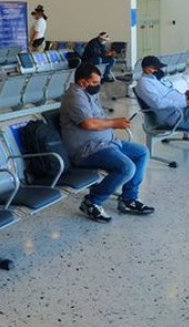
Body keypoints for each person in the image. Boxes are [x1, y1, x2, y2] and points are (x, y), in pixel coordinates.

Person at [61, 63, 154, 223]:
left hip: (106, 143)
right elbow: (88, 124)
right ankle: (92, 201)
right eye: (94, 82)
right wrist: (114, 123)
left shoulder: (89, 94)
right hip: (88, 150)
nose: (98, 85)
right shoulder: (75, 96)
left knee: (142, 152)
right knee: (126, 167)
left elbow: (99, 119)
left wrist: (113, 123)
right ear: (83, 82)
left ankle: (129, 198)